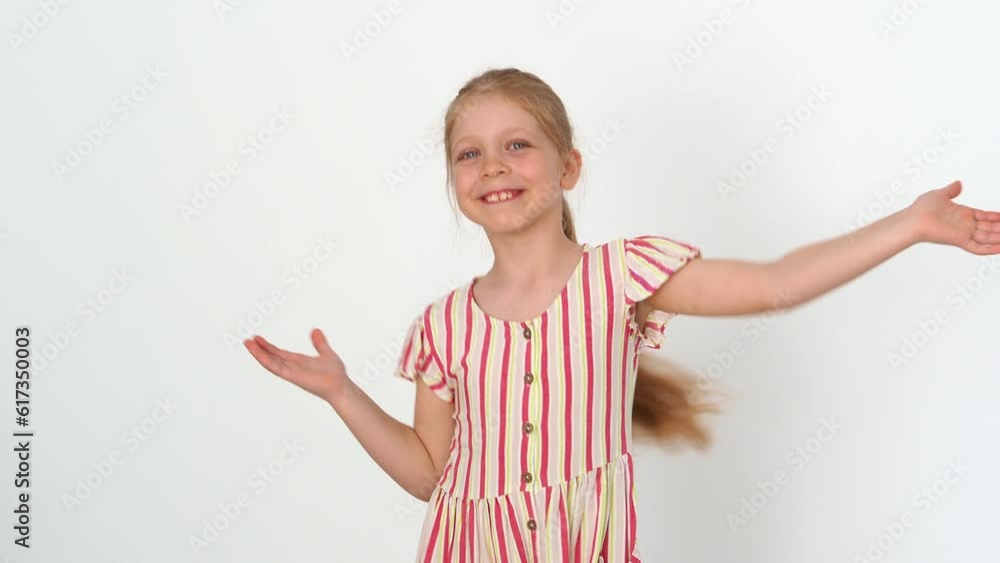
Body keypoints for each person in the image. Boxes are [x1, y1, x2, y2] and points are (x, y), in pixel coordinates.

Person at [244, 68, 999, 562]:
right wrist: (343, 392)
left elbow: (776, 283)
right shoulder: (444, 325)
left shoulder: (619, 276)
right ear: (453, 182)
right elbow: (427, 473)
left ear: (568, 166)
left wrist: (910, 225)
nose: (494, 165)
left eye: (517, 144)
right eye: (469, 154)